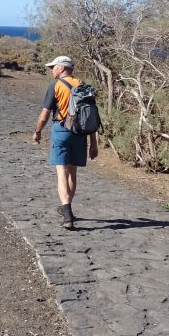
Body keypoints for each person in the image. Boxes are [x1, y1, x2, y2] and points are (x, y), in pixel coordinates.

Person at [32, 55, 99, 229]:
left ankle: (67, 212)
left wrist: (37, 131)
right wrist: (93, 142)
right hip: (80, 133)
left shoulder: (55, 85)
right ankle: (68, 209)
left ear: (62, 68)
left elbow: (45, 114)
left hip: (61, 130)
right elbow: (89, 116)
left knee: (61, 170)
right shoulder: (83, 85)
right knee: (72, 172)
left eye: (53, 67)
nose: (51, 70)